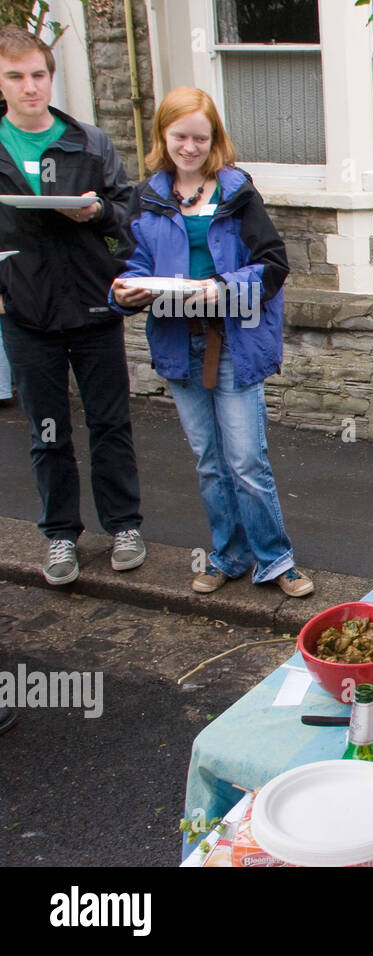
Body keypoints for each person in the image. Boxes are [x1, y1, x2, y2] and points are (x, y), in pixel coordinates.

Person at [110, 87, 312, 597]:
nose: (190, 147)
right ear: (163, 136)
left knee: (246, 459)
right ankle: (229, 554)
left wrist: (220, 288)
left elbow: (273, 266)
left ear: (214, 138)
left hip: (235, 342)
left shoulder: (238, 191)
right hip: (180, 343)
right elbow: (130, 268)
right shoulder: (146, 197)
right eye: (180, 136)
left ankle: (275, 558)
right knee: (209, 461)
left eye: (201, 137)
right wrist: (126, 291)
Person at [0, 26, 145, 586]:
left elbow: (126, 220)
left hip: (92, 307)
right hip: (26, 313)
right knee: (48, 429)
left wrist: (97, 214)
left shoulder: (88, 142)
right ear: (3, 82)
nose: (30, 86)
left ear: (50, 77)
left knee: (110, 423)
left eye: (38, 74)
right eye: (16, 76)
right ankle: (60, 535)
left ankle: (124, 525)